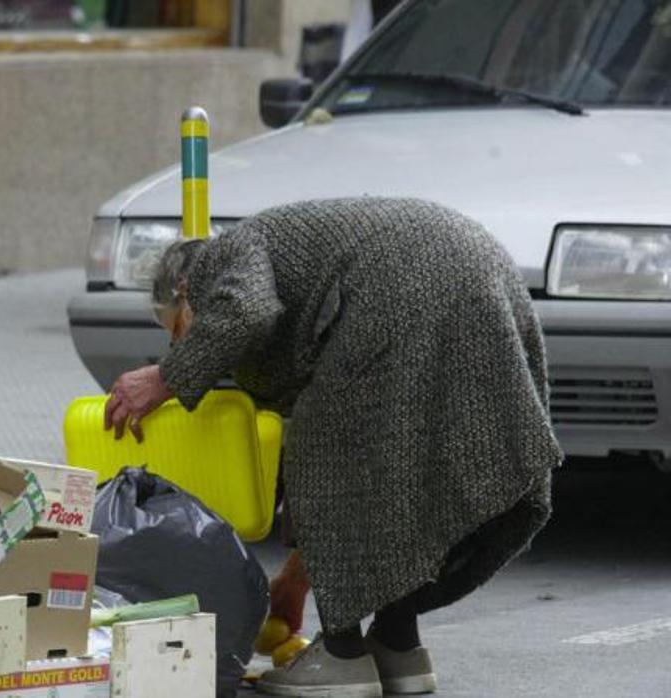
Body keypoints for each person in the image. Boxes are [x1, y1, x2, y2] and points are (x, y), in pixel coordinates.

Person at [104, 198, 561, 697]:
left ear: (187, 293)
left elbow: (247, 309)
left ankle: (342, 655)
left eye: (178, 332)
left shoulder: (220, 257)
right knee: (401, 473)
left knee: (325, 453)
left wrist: (166, 377)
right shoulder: (284, 258)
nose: (182, 345)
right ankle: (397, 642)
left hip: (409, 288)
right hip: (481, 272)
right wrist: (297, 580)